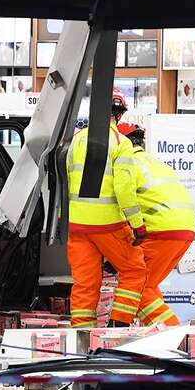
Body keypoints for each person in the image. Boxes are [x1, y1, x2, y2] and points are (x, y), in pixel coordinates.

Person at [66, 89, 147, 328]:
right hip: (107, 224)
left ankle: (82, 336)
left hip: (78, 224)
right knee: (134, 270)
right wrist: (137, 225)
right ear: (119, 115)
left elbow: (68, 177)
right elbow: (124, 188)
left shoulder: (77, 140)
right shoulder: (121, 143)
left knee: (85, 282)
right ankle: (118, 327)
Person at [117, 123, 195, 326]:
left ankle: (173, 335)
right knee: (149, 285)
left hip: (160, 231)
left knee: (137, 288)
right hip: (184, 230)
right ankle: (162, 336)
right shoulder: (155, 162)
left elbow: (122, 201)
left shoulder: (126, 163)